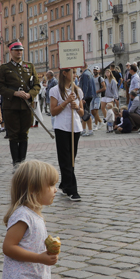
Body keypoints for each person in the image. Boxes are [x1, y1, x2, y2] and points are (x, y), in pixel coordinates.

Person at [0, 42, 40, 166]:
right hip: (11, 106)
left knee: (24, 134)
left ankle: (23, 162)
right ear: (11, 51)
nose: (19, 52)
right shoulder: (4, 68)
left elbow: (37, 85)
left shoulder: (29, 66)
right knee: (14, 135)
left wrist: (30, 94)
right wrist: (14, 93)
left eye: (21, 50)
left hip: (26, 106)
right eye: (16, 50)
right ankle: (16, 162)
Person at [50, 69, 84, 202]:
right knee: (66, 160)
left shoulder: (78, 91)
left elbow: (82, 113)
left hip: (75, 128)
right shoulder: (55, 90)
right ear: (65, 73)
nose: (75, 75)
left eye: (76, 72)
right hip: (62, 127)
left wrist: (77, 107)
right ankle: (72, 190)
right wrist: (65, 102)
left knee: (72, 159)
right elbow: (53, 111)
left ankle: (64, 184)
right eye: (73, 72)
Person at [78, 64, 96, 137]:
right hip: (90, 95)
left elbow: (85, 86)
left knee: (86, 113)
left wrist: (83, 97)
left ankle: (89, 130)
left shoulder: (85, 74)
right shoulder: (89, 73)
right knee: (85, 113)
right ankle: (84, 129)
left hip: (86, 96)